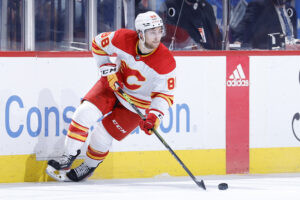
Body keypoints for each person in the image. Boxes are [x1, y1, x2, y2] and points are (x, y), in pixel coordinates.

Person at [46, 11, 176, 182]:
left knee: (102, 135)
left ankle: (90, 165)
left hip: (137, 104)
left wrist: (154, 116)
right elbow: (97, 43)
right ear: (140, 33)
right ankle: (68, 156)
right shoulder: (122, 38)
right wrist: (107, 68)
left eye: (160, 31)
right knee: (83, 113)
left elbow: (164, 94)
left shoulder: (166, 61)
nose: (157, 36)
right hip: (114, 84)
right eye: (152, 32)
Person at [231, 0, 297, 49]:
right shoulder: (258, 6)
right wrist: (239, 40)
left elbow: (293, 35)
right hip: (268, 53)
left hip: (291, 53)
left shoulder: (291, 10)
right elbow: (246, 24)